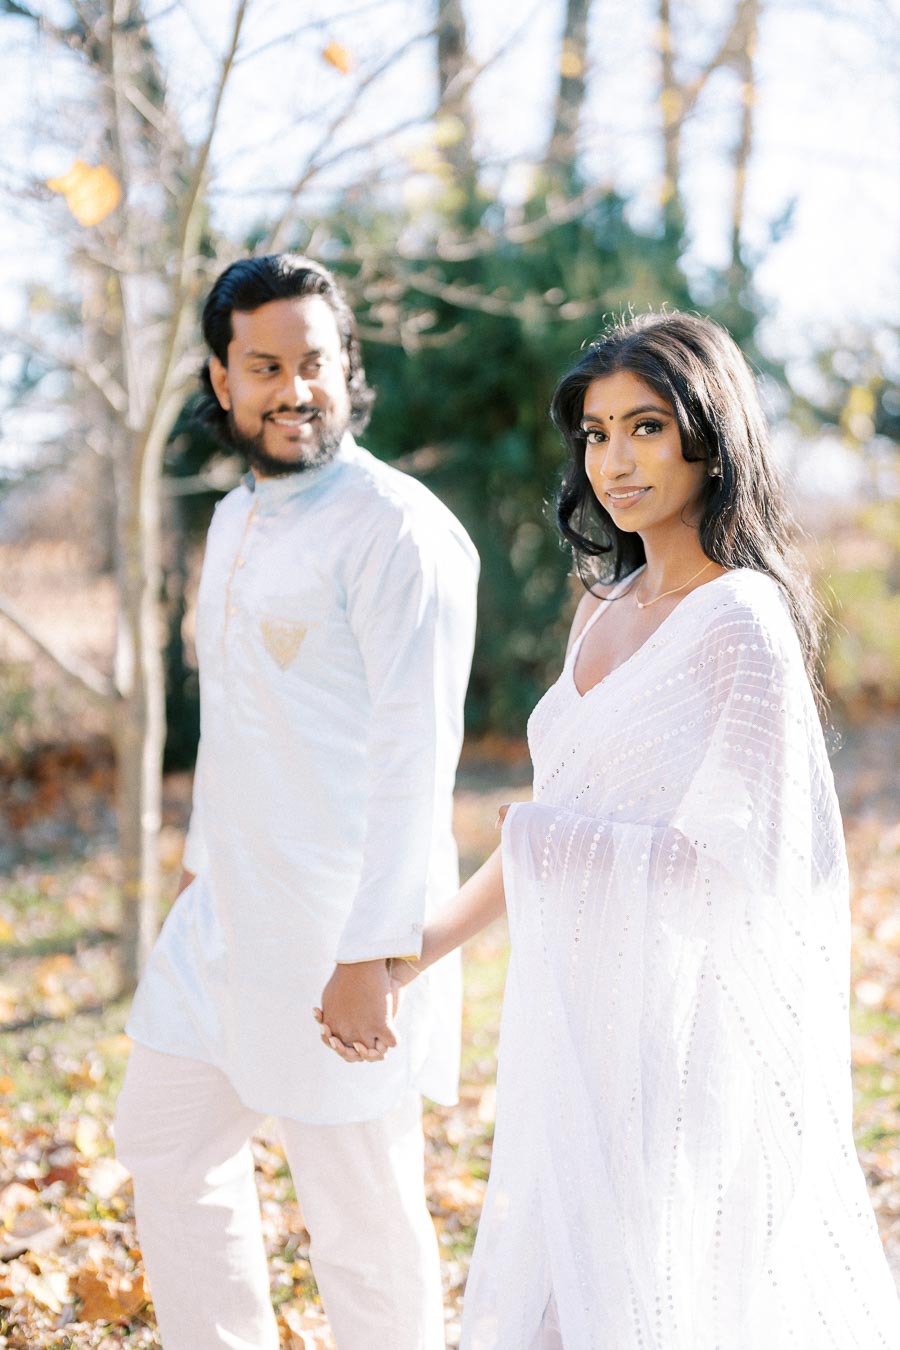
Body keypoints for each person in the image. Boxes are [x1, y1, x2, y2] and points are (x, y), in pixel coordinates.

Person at [319, 312, 900, 1348]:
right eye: (594, 434)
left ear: (708, 439)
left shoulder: (744, 623)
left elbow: (746, 870)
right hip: (573, 1020)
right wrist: (400, 961)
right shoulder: (602, 605)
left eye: (643, 428)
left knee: (657, 1300)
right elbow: (541, 831)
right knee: (563, 1296)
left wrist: (552, 842)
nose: (614, 461)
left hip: (680, 1036)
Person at [114, 253, 479, 1350]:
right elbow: (234, 722)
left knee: (361, 1223)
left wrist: (375, 954)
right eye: (264, 365)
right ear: (222, 380)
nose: (294, 388)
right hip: (221, 918)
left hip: (342, 936)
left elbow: (418, 755)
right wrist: (192, 871)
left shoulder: (395, 530)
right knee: (166, 1148)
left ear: (345, 367)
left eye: (313, 362)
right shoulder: (234, 521)